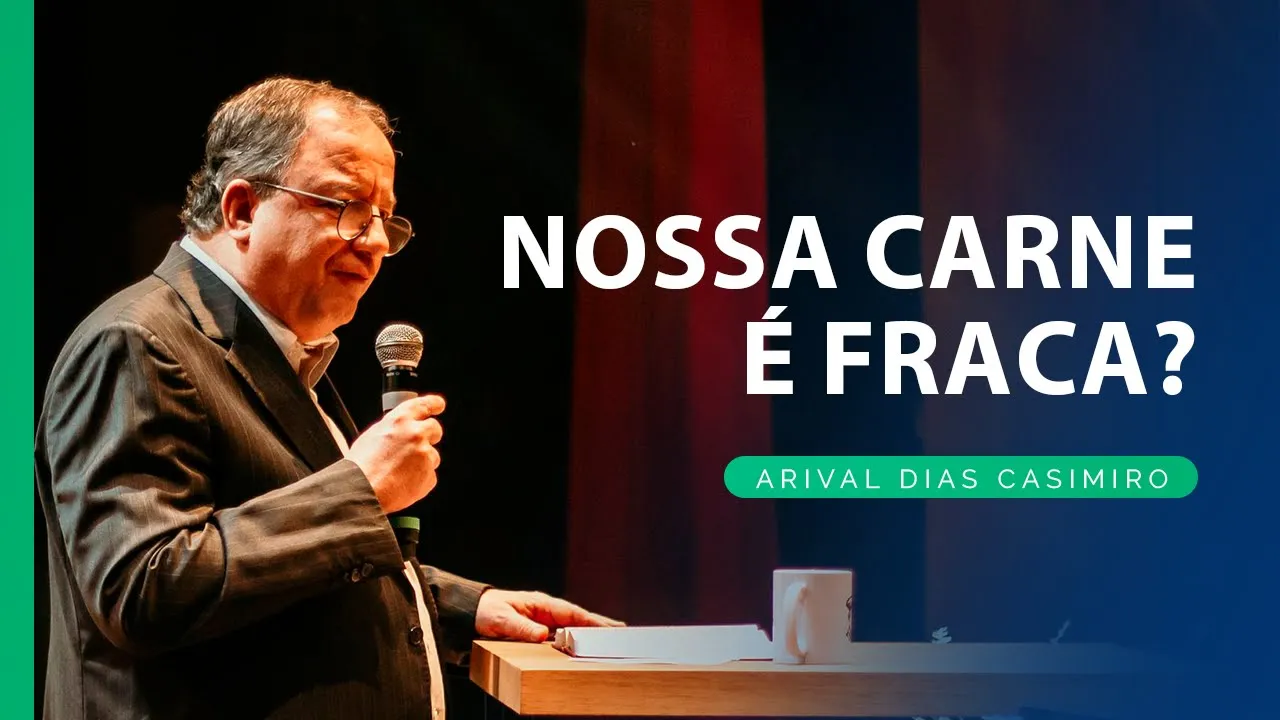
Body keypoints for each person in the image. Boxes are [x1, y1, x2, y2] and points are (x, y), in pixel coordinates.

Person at [35, 76, 618, 719]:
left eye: (384, 218)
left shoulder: (280, 349)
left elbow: (289, 568)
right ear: (243, 210)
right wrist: (360, 490)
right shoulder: (138, 342)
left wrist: (461, 606)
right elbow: (142, 588)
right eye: (346, 206)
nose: (375, 242)